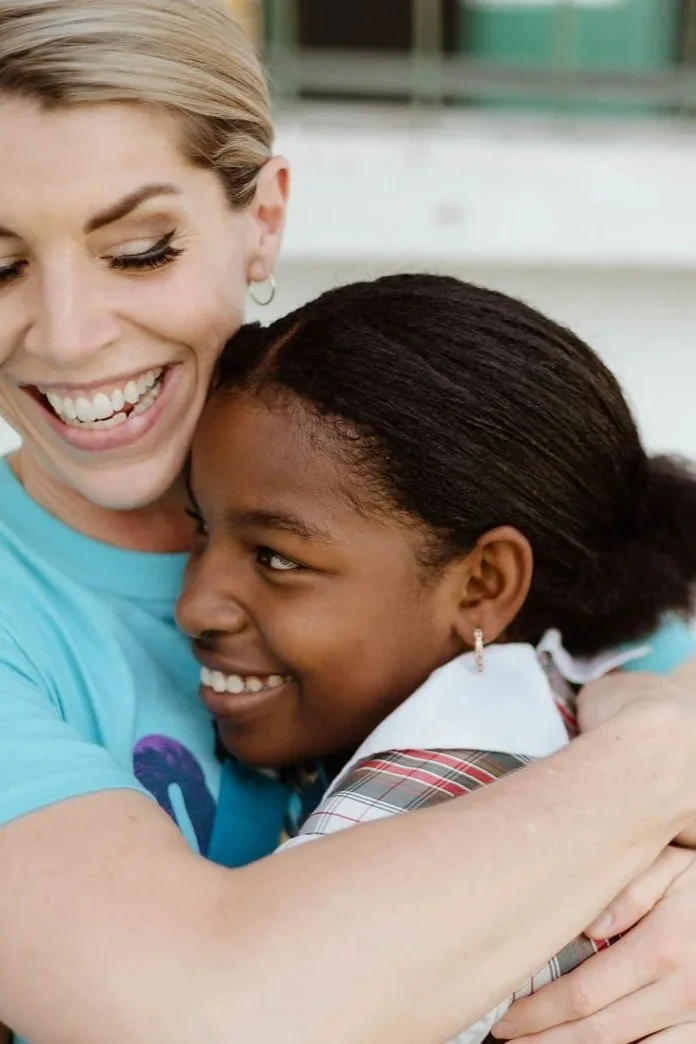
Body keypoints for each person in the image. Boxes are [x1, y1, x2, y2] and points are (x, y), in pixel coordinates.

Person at [1, 2, 696, 1042]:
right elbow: (200, 1014)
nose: (68, 334)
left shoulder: (412, 461)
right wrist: (655, 769)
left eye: (141, 250)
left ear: (263, 220)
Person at [178, 273, 696, 1042]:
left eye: (277, 558)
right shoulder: (589, 698)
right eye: (199, 528)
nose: (194, 606)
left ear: (483, 584)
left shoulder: (427, 798)